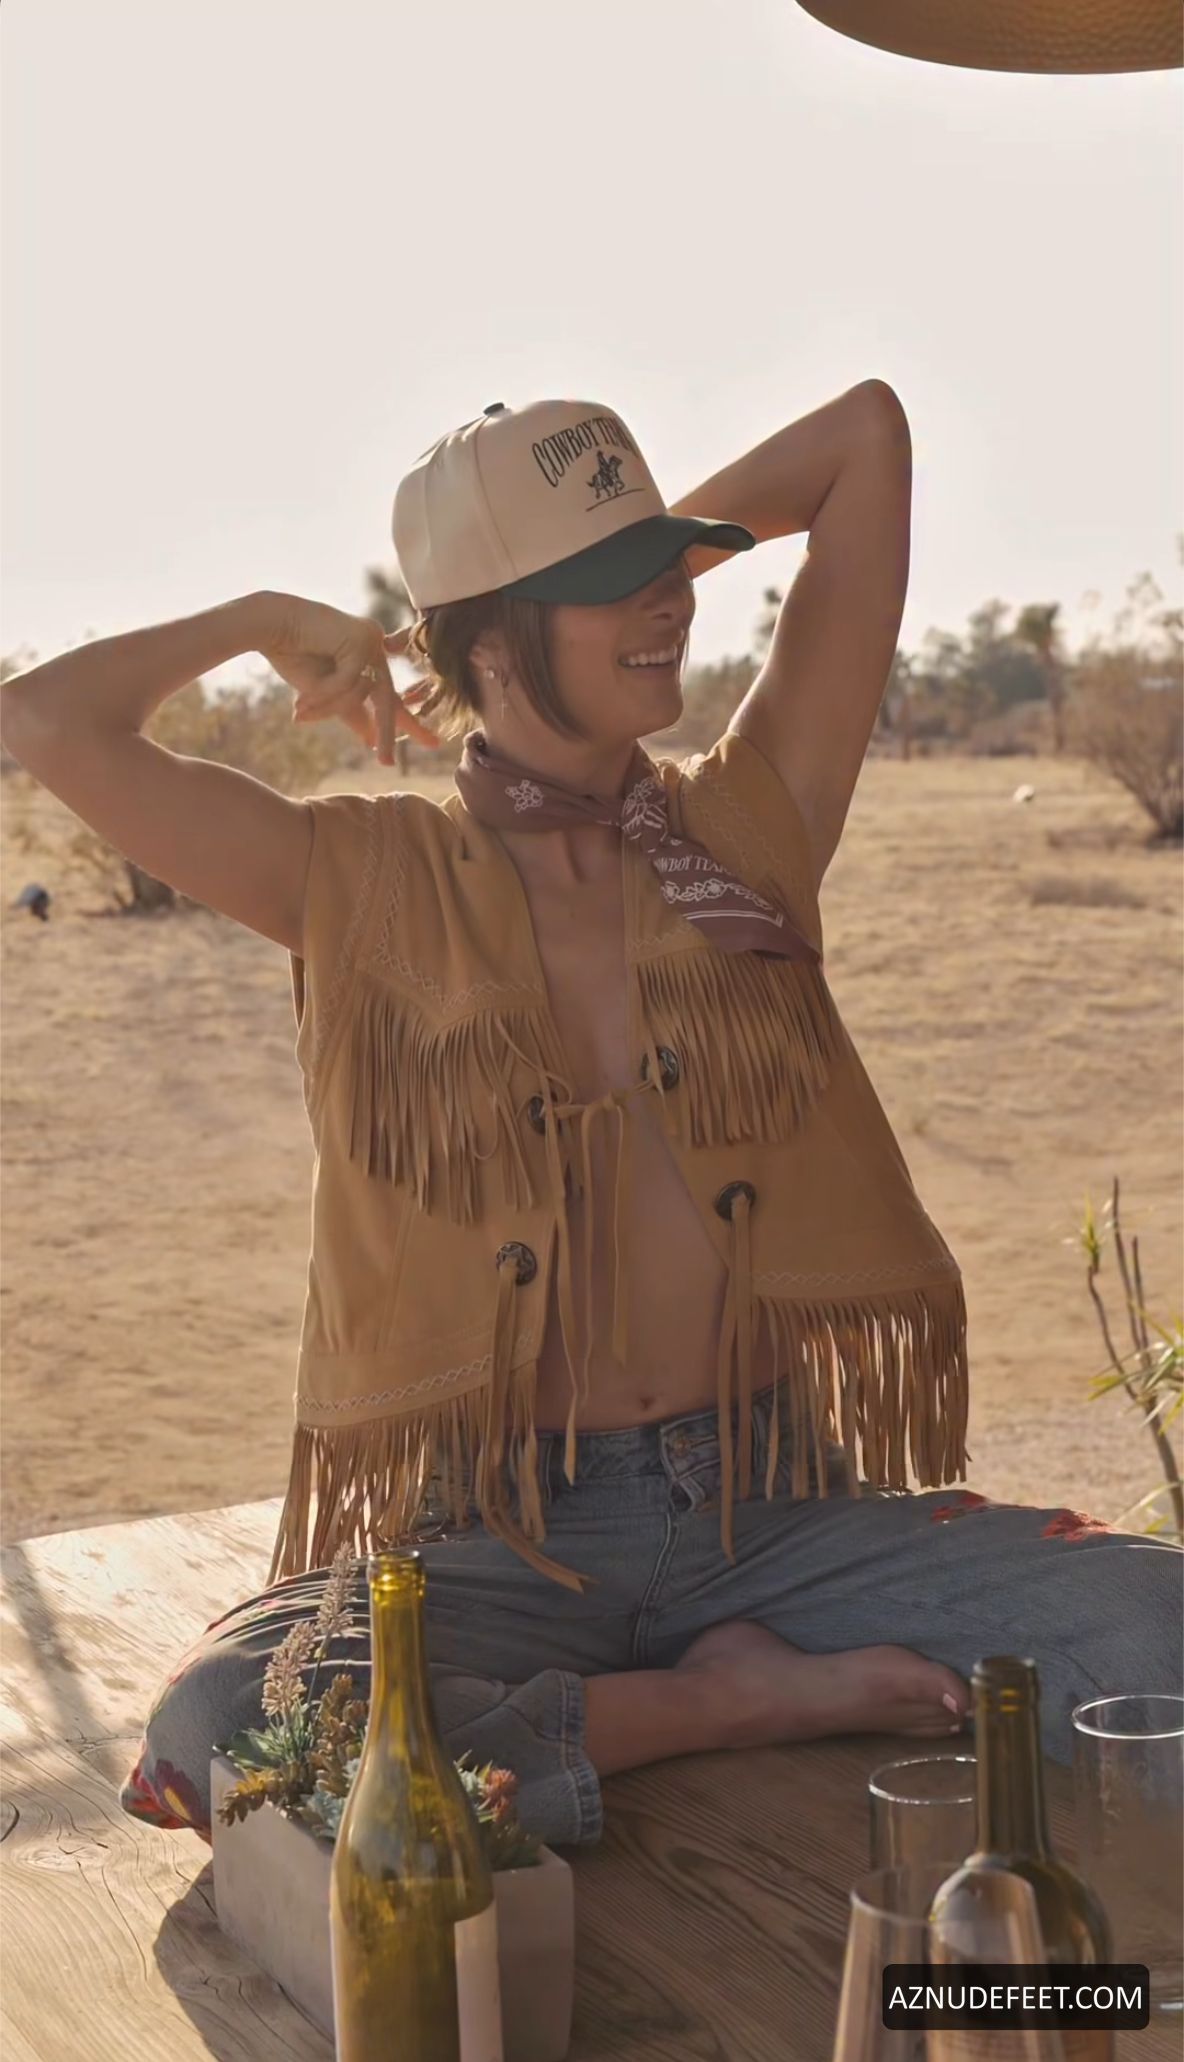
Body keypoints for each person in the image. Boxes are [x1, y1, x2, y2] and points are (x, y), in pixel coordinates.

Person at [4, 391, 1179, 1851]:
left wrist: (639, 554)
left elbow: (865, 439)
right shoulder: (354, 880)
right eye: (612, 585)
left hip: (773, 1511)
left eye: (669, 572)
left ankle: (609, 1709)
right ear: (490, 643)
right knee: (228, 1728)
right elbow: (45, 719)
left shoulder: (748, 826)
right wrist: (260, 617)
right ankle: (709, 1704)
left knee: (1160, 1629)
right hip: (500, 1537)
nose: (672, 603)